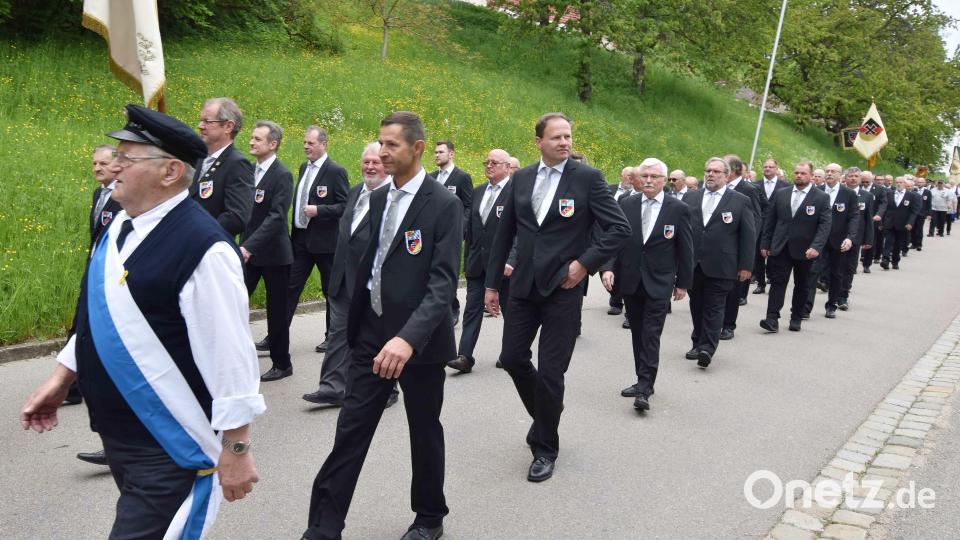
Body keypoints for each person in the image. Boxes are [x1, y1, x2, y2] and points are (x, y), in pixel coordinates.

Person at [21, 104, 265, 539]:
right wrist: (62, 378)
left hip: (170, 446)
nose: (113, 167)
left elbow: (231, 355)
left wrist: (237, 447)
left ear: (170, 172)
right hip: (121, 436)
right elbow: (100, 317)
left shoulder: (205, 249)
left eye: (127, 158)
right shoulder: (120, 229)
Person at [303, 112, 461, 540]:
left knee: (424, 428)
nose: (382, 152)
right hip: (371, 337)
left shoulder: (444, 204)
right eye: (380, 143)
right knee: (350, 430)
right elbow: (370, 267)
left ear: (418, 148)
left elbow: (442, 284)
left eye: (392, 145)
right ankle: (323, 527)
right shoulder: (374, 199)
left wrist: (407, 339)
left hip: (419, 344)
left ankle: (429, 516)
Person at [484, 112, 631, 482]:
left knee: (552, 372)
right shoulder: (521, 178)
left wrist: (584, 264)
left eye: (568, 136)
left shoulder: (588, 178)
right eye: (556, 137)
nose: (564, 142)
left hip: (563, 290)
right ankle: (549, 411)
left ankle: (545, 447)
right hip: (523, 288)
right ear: (538, 142)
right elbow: (504, 235)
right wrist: (490, 285)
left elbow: (618, 228)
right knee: (512, 358)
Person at [302, 143, 397, 408]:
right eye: (366, 162)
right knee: (339, 333)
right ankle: (333, 387)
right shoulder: (355, 193)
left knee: (379, 336)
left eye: (375, 162)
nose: (369, 167)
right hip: (343, 279)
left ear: (386, 165)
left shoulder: (393, 198)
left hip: (374, 284)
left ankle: (388, 390)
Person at [600, 157, 692, 411]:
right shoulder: (626, 203)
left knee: (651, 334)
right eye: (645, 176)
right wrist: (607, 268)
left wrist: (683, 282)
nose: (649, 181)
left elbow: (686, 248)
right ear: (638, 179)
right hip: (631, 280)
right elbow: (613, 238)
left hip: (659, 281)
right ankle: (641, 378)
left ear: (664, 180)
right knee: (638, 333)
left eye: (654, 177)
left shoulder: (678, 209)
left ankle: (645, 387)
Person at [274, 126, 349, 358]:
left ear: (323, 144)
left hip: (326, 243)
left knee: (330, 291)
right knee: (289, 287)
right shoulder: (304, 167)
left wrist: (320, 209)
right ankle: (276, 334)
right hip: (301, 240)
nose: (306, 146)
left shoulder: (335, 171)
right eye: (305, 143)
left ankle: (332, 336)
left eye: (311, 143)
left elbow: (345, 205)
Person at [72, 143, 124, 466]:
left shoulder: (122, 197)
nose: (97, 168)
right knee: (80, 338)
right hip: (93, 272)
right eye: (94, 163)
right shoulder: (99, 195)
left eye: (103, 163)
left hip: (112, 279)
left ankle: (116, 444)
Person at [683, 157, 755, 368]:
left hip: (723, 264)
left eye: (715, 172)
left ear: (726, 175)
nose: (710, 175)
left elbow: (748, 236)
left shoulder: (740, 200)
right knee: (696, 304)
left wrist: (745, 266)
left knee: (714, 307)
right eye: (707, 171)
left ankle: (707, 348)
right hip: (694, 263)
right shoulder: (691, 197)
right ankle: (697, 342)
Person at [448, 149, 516, 373]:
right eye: (487, 161)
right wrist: (466, 261)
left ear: (507, 167)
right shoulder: (477, 192)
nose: (489, 165)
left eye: (495, 163)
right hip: (477, 263)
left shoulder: (516, 193)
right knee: (472, 309)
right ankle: (464, 356)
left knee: (509, 310)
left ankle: (510, 354)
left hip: (503, 266)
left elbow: (521, 233)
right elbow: (472, 230)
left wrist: (512, 260)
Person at [240, 120, 294, 382]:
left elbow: (276, 217)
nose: (251, 142)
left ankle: (282, 363)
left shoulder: (282, 174)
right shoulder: (250, 171)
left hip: (273, 254)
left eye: (257, 139)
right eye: (251, 137)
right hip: (248, 251)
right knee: (234, 301)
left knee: (276, 312)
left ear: (272, 144)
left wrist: (249, 245)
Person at [759, 161, 831, 333]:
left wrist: (816, 246)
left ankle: (796, 317)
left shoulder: (821, 197)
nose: (799, 175)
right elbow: (770, 220)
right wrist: (765, 243)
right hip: (781, 246)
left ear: (811, 176)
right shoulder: (781, 193)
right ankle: (772, 318)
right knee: (777, 282)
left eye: (803, 173)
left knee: (802, 284)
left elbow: (825, 225)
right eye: (797, 172)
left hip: (806, 250)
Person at [192, 97, 254, 236]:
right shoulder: (197, 158)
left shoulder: (237, 164)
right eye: (201, 120)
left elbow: (237, 217)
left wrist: (199, 234)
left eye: (207, 121)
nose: (200, 126)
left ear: (228, 126)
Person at [430, 140, 473, 326]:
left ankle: (453, 307)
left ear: (451, 154)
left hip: (452, 234)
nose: (437, 155)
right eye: (435, 152)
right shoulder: (430, 177)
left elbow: (469, 207)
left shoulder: (461, 177)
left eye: (441, 152)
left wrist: (460, 229)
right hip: (432, 234)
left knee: (449, 270)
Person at [719, 154, 761, 339]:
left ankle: (728, 324)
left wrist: (748, 244)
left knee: (732, 289)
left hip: (735, 247)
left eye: (723, 167)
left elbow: (756, 218)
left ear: (733, 170)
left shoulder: (748, 189)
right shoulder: (715, 187)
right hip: (714, 247)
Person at [818, 165, 860, 319]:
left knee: (837, 274)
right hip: (817, 240)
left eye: (833, 171)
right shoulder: (817, 190)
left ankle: (831, 305)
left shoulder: (848, 194)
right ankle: (805, 307)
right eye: (827, 171)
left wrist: (850, 237)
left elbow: (854, 217)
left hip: (838, 240)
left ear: (840, 175)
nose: (829, 174)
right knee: (812, 272)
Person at [838, 168, 875, 310]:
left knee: (850, 267)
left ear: (860, 178)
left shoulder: (867, 196)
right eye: (850, 176)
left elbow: (868, 219)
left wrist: (868, 240)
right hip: (838, 235)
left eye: (856, 176)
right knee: (836, 266)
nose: (853, 178)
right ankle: (834, 291)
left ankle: (843, 296)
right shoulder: (839, 193)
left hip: (856, 237)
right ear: (845, 178)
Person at [751, 159, 789, 294]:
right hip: (758, 225)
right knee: (758, 254)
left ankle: (773, 278)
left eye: (770, 167)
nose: (767, 169)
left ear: (776, 169)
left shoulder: (785, 186)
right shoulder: (755, 185)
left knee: (775, 254)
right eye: (765, 167)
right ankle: (760, 283)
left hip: (776, 226)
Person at [606, 167, 635, 316]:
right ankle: (615, 297)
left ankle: (619, 303)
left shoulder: (632, 197)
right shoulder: (609, 189)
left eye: (633, 176)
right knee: (606, 269)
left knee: (623, 270)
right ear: (621, 176)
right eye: (628, 176)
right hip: (607, 233)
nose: (630, 179)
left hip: (626, 235)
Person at [880, 176, 921, 270]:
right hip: (889, 222)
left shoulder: (911, 196)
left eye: (901, 182)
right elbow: (884, 208)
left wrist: (910, 223)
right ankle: (885, 260)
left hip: (902, 224)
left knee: (898, 244)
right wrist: (882, 222)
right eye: (897, 182)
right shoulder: (889, 193)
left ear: (905, 184)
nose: (898, 184)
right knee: (888, 242)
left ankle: (895, 261)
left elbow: (914, 211)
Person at [860, 171, 887, 272]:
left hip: (872, 219)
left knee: (869, 241)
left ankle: (866, 264)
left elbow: (883, 204)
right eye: (863, 181)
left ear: (872, 179)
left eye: (867, 181)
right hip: (858, 218)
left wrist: (879, 214)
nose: (865, 184)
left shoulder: (880, 189)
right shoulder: (858, 187)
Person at [912, 177, 931, 250]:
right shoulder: (914, 190)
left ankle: (919, 244)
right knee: (913, 229)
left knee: (919, 229)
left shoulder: (927, 192)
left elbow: (929, 203)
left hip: (922, 213)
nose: (919, 183)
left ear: (924, 183)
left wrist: (929, 214)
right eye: (918, 182)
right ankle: (913, 243)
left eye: (921, 182)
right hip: (913, 213)